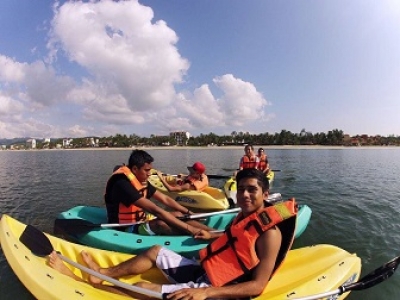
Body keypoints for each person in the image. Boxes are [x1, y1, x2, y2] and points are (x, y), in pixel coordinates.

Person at [49, 169, 297, 299]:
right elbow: (235, 240)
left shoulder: (269, 234)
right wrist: (211, 237)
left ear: (265, 194)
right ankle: (101, 274)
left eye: (252, 190)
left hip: (220, 289)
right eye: (241, 189)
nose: (244, 195)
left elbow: (258, 286)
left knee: (144, 287)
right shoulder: (244, 215)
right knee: (156, 251)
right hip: (208, 270)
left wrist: (206, 292)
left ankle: (78, 282)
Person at [105, 149, 213, 236]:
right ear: (134, 169)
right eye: (146, 170)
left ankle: (213, 232)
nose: (149, 174)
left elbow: (165, 199)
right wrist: (192, 230)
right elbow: (155, 210)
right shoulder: (122, 184)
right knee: (160, 224)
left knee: (179, 214)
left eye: (150, 170)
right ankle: (198, 234)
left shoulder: (141, 181)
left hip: (141, 220)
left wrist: (189, 213)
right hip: (126, 227)